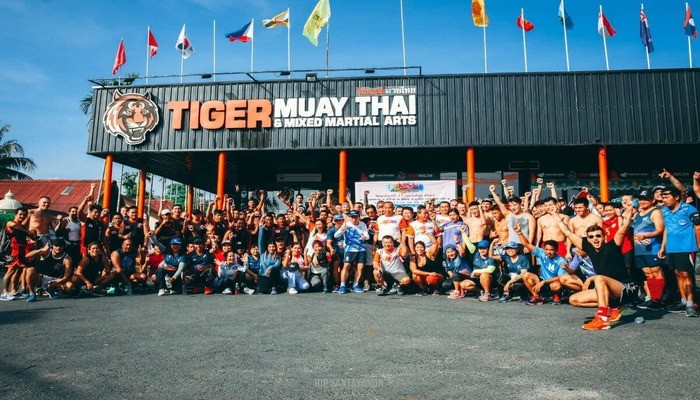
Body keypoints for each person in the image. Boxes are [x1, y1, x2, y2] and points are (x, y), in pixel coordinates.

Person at [554, 207, 638, 330]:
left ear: (604, 237)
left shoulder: (613, 245)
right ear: (588, 239)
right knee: (574, 299)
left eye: (598, 236)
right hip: (608, 291)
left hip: (626, 288)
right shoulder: (589, 248)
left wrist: (628, 215)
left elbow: (623, 229)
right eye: (591, 237)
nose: (595, 239)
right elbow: (568, 233)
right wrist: (556, 216)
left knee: (598, 278)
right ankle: (613, 308)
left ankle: (602, 319)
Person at [658, 187, 700, 317]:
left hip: (686, 247)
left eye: (667, 196)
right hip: (671, 248)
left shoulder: (689, 209)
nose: (664, 199)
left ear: (676, 197)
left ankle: (690, 304)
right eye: (663, 197)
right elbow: (666, 230)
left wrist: (699, 245)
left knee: (686, 274)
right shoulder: (664, 211)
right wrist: (663, 247)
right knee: (677, 274)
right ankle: (683, 301)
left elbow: (698, 227)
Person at [514, 223, 568, 306]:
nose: (548, 252)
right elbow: (526, 244)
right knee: (525, 275)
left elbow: (561, 277)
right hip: (542, 280)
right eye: (546, 249)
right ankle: (537, 296)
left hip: (553, 282)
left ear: (556, 250)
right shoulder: (542, 253)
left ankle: (557, 295)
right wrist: (519, 232)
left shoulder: (561, 260)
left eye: (551, 250)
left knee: (556, 285)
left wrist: (544, 282)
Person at [630, 190, 665, 311]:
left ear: (652, 200)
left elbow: (660, 229)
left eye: (645, 199)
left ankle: (657, 300)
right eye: (641, 199)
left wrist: (646, 235)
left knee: (656, 272)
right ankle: (652, 298)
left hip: (652, 247)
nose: (642, 201)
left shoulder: (655, 212)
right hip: (639, 248)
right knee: (647, 273)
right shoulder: (637, 214)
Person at [1, 208, 37, 301]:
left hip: (22, 251)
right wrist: (27, 231)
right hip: (14, 250)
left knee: (18, 271)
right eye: (20, 214)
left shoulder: (22, 227)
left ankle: (14, 290)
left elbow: (33, 237)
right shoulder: (10, 223)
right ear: (15, 215)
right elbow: (15, 226)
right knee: (10, 271)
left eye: (24, 215)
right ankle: (4, 293)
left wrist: (33, 232)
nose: (22, 216)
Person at [333, 210, 369, 294]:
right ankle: (342, 285)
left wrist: (365, 237)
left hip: (361, 249)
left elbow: (367, 235)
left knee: (360, 267)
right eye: (352, 217)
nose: (354, 219)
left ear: (359, 217)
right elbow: (336, 235)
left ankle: (356, 285)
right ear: (349, 218)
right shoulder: (346, 224)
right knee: (346, 266)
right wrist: (342, 229)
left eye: (356, 217)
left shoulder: (362, 224)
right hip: (350, 249)